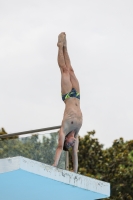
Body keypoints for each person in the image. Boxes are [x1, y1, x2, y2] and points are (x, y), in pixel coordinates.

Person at [53, 32, 83, 173]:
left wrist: (54, 166)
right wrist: (75, 172)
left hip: (67, 96)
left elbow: (60, 148)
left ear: (66, 141)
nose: (72, 145)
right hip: (77, 95)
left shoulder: (63, 131)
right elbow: (75, 155)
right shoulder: (76, 133)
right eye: (72, 145)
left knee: (64, 70)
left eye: (69, 145)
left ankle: (60, 47)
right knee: (70, 69)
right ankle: (65, 46)